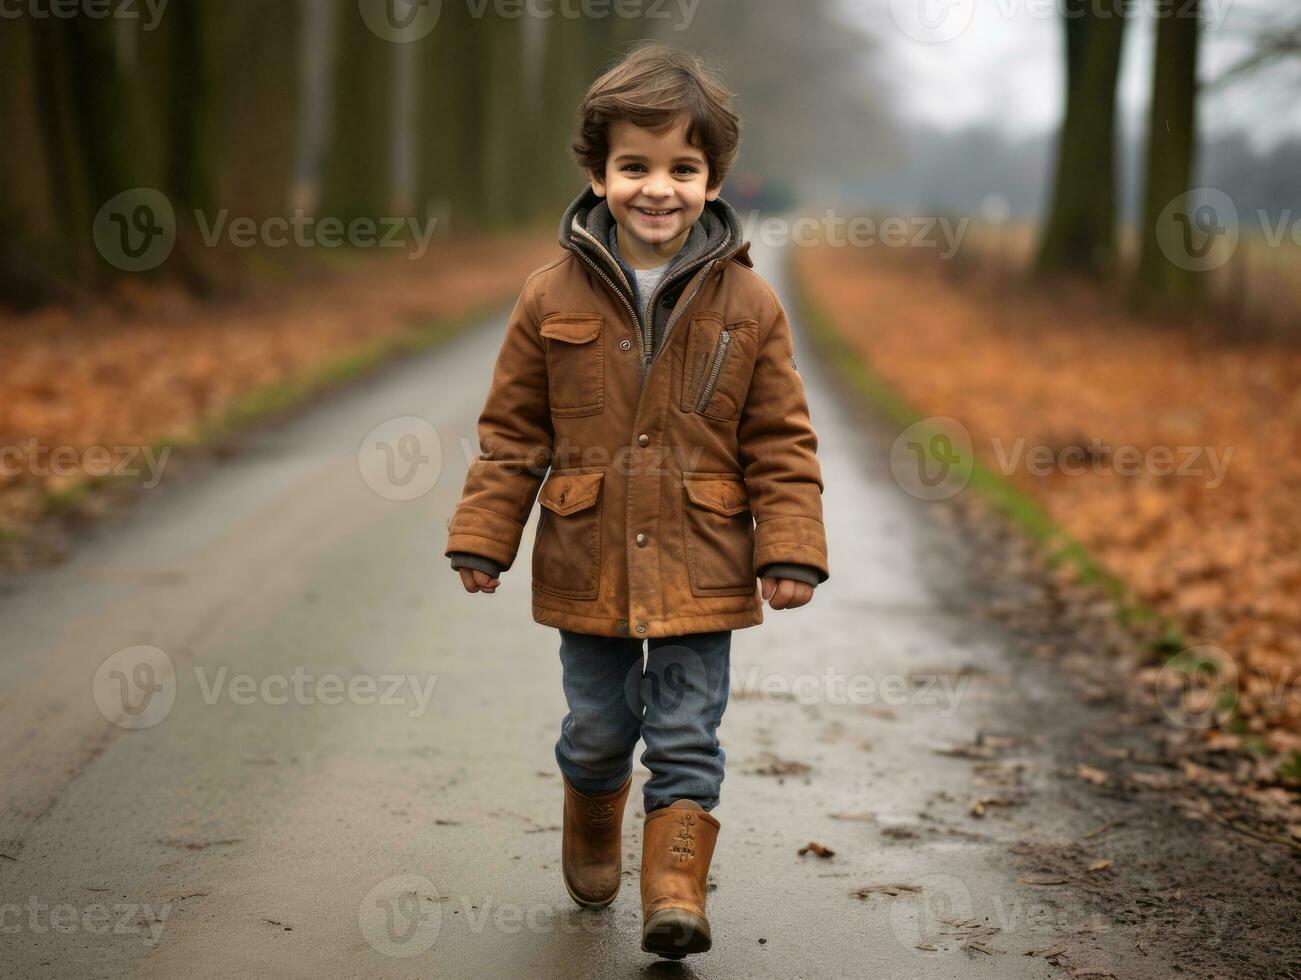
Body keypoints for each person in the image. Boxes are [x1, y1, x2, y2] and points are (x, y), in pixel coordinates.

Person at [444, 41, 829, 959]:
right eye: (635, 167)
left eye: (682, 169)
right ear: (598, 171)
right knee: (598, 727)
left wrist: (789, 548)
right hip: (589, 557)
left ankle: (674, 889)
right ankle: (589, 810)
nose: (658, 188)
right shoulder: (547, 298)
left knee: (688, 733)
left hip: (705, 556)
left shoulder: (751, 303)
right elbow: (514, 435)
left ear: (712, 178)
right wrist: (483, 537)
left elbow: (778, 437)